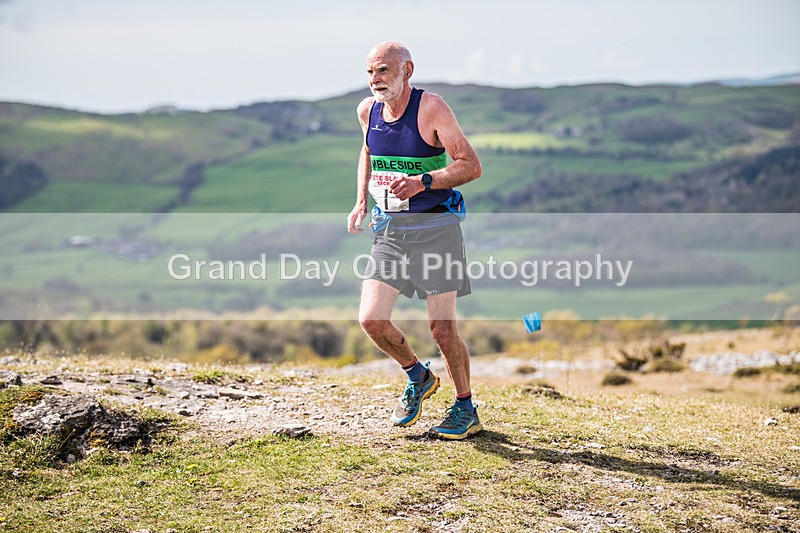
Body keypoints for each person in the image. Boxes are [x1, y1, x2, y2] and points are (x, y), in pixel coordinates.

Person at [347, 41, 483, 440]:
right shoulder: (366, 111)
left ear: (407, 69)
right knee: (371, 319)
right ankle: (417, 376)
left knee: (442, 329)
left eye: (384, 71)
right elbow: (368, 152)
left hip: (436, 229)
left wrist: (424, 181)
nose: (376, 79)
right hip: (390, 230)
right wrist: (359, 201)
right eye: (370, 72)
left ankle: (465, 407)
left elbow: (471, 166)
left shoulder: (431, 108)